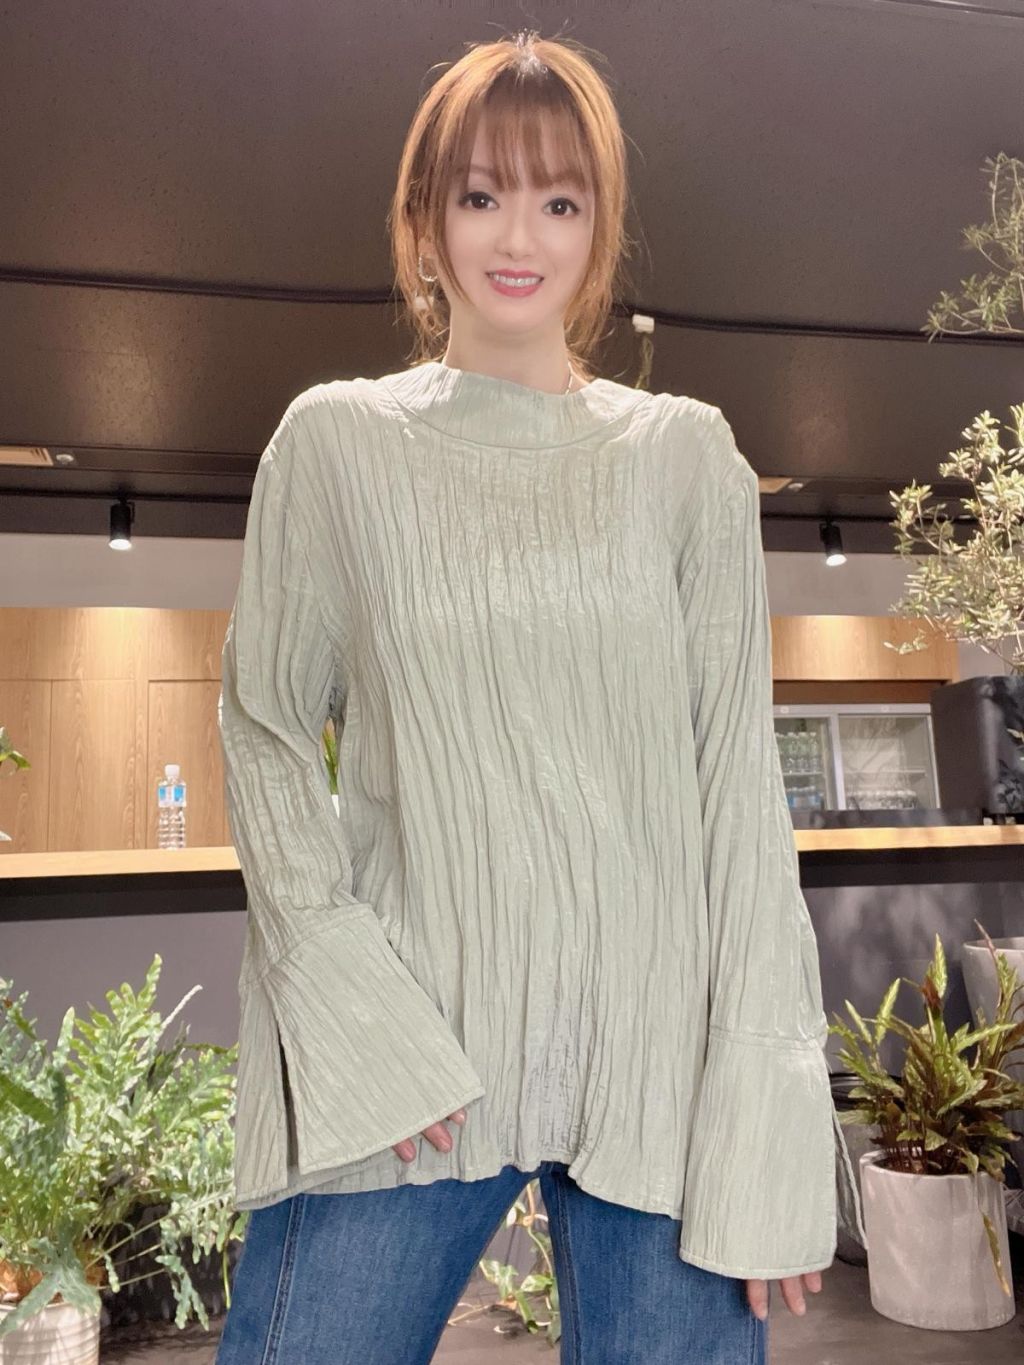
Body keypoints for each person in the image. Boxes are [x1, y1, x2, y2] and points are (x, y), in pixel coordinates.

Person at [214, 27, 866, 1365]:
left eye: (561, 201)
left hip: (656, 1066)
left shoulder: (686, 461)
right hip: (414, 1051)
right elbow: (264, 729)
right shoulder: (336, 446)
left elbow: (737, 794)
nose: (521, 236)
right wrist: (349, 1009)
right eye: (483, 194)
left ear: (599, 230)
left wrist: (765, 1113)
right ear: (424, 222)